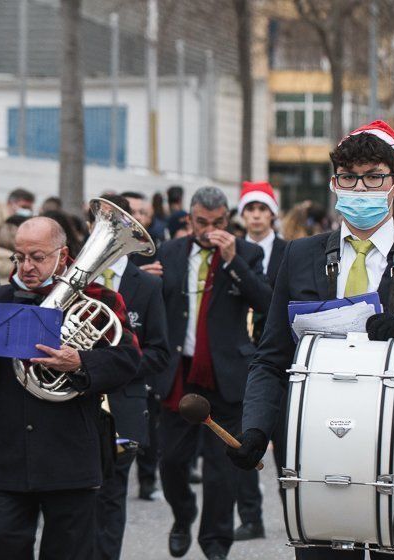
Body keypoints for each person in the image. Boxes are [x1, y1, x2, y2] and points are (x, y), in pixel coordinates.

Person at [231, 120, 394, 560]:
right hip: (319, 457)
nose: (360, 188)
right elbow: (271, 358)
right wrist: (256, 426)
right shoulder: (300, 255)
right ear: (333, 183)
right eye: (349, 177)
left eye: (374, 177)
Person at [0, 216, 140, 559]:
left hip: (70, 458)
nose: (27, 266)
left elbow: (128, 362)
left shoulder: (99, 303)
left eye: (37, 257)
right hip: (6, 457)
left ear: (63, 256)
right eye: (19, 257)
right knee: (2, 545)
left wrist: (80, 362)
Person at [146, 186, 271, 560]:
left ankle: (216, 544)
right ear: (190, 218)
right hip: (180, 373)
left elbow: (264, 301)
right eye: (202, 222)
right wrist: (143, 280)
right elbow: (150, 302)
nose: (209, 229)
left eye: (217, 223)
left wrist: (234, 262)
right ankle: (183, 515)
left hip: (225, 375)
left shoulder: (247, 252)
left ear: (227, 220)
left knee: (222, 471)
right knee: (170, 461)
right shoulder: (169, 252)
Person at [90, 194, 170, 560]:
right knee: (76, 496)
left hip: (124, 403)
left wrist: (113, 364)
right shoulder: (76, 280)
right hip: (77, 403)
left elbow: (159, 352)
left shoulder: (148, 287)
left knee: (112, 493)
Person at [233, 180, 288, 542]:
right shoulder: (229, 251)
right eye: (250, 210)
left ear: (272, 214)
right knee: (244, 440)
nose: (256, 216)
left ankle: (297, 511)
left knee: (288, 444)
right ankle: (250, 517)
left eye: (261, 209)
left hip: (279, 357)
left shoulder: (289, 251)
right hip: (240, 358)